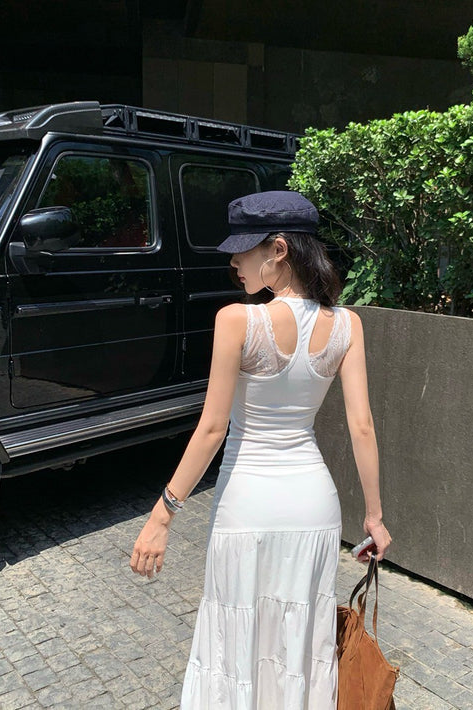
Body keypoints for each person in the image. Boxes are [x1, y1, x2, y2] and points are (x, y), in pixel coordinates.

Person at [130, 190, 392, 709]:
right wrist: (375, 518)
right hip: (314, 508)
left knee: (238, 645)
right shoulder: (348, 325)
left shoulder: (237, 320)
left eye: (242, 250)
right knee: (300, 645)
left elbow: (212, 429)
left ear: (278, 249)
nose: (233, 262)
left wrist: (162, 515)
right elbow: (362, 426)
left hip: (246, 506)